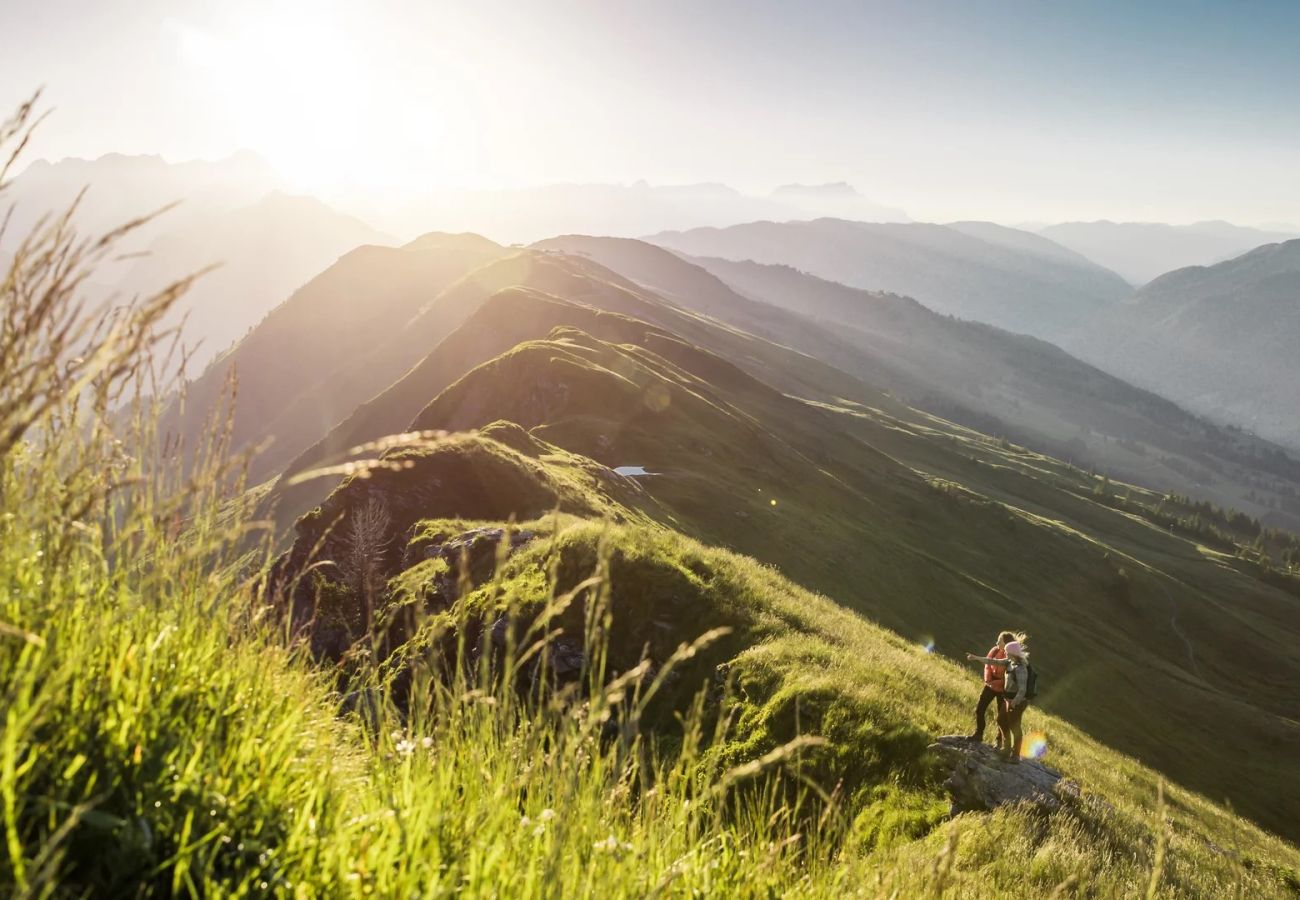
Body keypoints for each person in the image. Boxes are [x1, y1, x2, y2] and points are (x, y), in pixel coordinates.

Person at [968, 637, 1031, 763]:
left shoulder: (1021, 668)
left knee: (1015, 726)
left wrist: (1013, 703)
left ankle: (1015, 755)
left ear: (1013, 653)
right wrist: (976, 658)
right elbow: (993, 661)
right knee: (1001, 720)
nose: (1005, 653)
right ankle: (1006, 749)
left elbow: (1022, 690)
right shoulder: (1009, 661)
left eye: (1007, 652)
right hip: (1009, 699)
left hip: (1019, 701)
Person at [964, 630, 1013, 749]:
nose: (997, 642)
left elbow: (1009, 677)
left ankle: (999, 741)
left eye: (999, 640)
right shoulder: (995, 650)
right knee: (979, 709)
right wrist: (989, 681)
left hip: (1003, 689)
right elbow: (988, 664)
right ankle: (978, 734)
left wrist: (996, 683)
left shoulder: (1010, 658)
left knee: (1001, 718)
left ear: (1005, 643)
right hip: (990, 685)